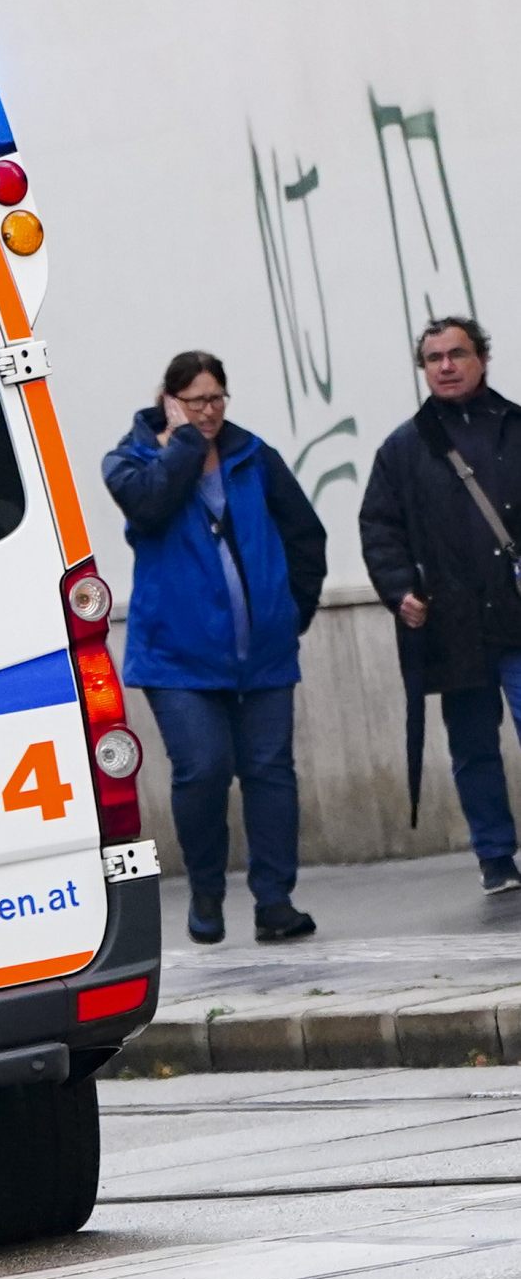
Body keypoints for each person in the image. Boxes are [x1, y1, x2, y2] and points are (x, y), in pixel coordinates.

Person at [104, 351, 327, 943]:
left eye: (217, 399)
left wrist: (289, 611)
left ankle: (275, 901)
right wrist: (178, 444)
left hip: (264, 653)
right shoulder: (130, 461)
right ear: (169, 400)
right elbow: (150, 507)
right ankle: (206, 890)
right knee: (203, 770)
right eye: (196, 400)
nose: (210, 411)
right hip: (177, 660)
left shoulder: (254, 457)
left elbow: (306, 534)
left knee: (269, 771)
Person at [360, 316, 521, 894]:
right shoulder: (405, 447)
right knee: (474, 747)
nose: (446, 366)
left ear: (482, 359)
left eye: (457, 354)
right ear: (423, 368)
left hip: (517, 616)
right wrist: (401, 589)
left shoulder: (514, 427)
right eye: (434, 358)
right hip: (454, 626)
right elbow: (379, 526)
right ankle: (496, 856)